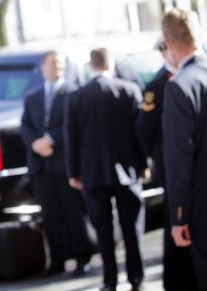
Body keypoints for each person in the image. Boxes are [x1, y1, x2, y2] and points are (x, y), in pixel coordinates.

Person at [66, 47, 148, 291]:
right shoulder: (129, 90)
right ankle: (137, 278)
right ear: (110, 63)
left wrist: (74, 172)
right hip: (127, 169)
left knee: (103, 230)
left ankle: (109, 281)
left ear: (90, 66)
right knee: (131, 227)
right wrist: (144, 165)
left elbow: (72, 138)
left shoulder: (77, 97)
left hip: (93, 173)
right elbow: (139, 134)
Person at [19, 51, 91, 276]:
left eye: (60, 63)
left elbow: (75, 125)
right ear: (43, 68)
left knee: (73, 212)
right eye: (52, 63)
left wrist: (51, 140)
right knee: (50, 216)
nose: (57, 67)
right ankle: (57, 260)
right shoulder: (32, 97)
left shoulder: (72, 92)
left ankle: (81, 258)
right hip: (41, 166)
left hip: (64, 163)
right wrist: (36, 144)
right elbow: (25, 126)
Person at [137, 37, 198, 290]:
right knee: (176, 221)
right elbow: (144, 129)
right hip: (172, 164)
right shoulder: (158, 84)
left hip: (192, 165)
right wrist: (156, 156)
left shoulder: (193, 75)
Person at [161, 9, 207, 288]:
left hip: (203, 207)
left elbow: (179, 158)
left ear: (168, 42)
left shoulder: (180, 86)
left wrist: (179, 217)